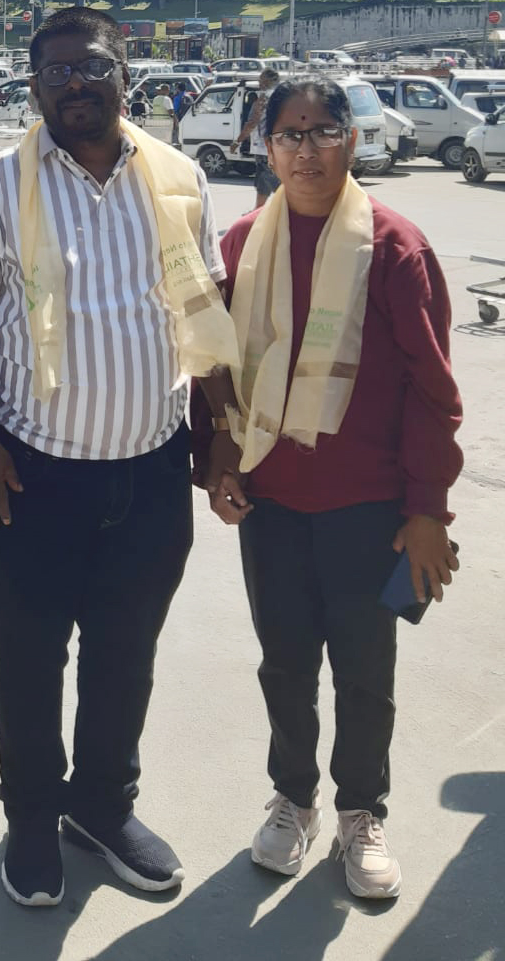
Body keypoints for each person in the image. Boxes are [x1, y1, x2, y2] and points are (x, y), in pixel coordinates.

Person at [0, 6, 238, 907]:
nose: (76, 84)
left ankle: (103, 807)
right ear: (34, 88)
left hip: (151, 470)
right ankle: (33, 819)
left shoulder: (180, 178)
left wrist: (223, 433)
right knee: (29, 658)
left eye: (93, 66)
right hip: (34, 473)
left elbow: (205, 312)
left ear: (125, 73)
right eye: (57, 72)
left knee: (125, 651)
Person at [196, 77, 462, 901]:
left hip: (368, 509)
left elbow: (433, 392)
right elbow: (217, 369)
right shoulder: (243, 243)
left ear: (353, 139)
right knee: (284, 664)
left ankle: (361, 810)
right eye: (289, 133)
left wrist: (428, 510)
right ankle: (294, 798)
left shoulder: (394, 247)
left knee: (364, 670)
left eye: (322, 131)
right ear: (265, 146)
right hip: (273, 503)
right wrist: (221, 461)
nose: (305, 149)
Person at [232, 68, 281, 208]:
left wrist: (237, 142)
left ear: (268, 81)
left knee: (263, 184)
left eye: (261, 80)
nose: (260, 84)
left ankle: (258, 213)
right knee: (277, 182)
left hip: (264, 148)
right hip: (280, 147)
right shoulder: (284, 97)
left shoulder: (264, 98)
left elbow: (252, 122)